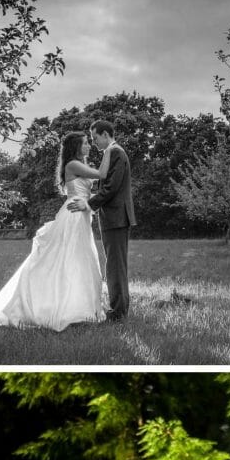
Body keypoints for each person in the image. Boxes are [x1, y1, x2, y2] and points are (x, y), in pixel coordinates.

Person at [0, 131, 108, 332]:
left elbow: (88, 189)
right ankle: (57, 305)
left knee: (79, 258)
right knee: (68, 258)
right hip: (73, 215)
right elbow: (101, 174)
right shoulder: (72, 164)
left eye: (89, 142)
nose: (89, 146)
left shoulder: (80, 165)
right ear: (76, 147)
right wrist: (109, 149)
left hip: (81, 212)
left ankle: (79, 305)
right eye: (85, 143)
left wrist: (91, 200)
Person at [66, 119, 135, 321]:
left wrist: (88, 204)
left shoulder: (115, 152)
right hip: (114, 217)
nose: (94, 142)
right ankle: (118, 308)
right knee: (114, 264)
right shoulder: (112, 153)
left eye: (95, 138)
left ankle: (118, 312)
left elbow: (111, 187)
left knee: (115, 265)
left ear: (106, 135)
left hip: (116, 217)